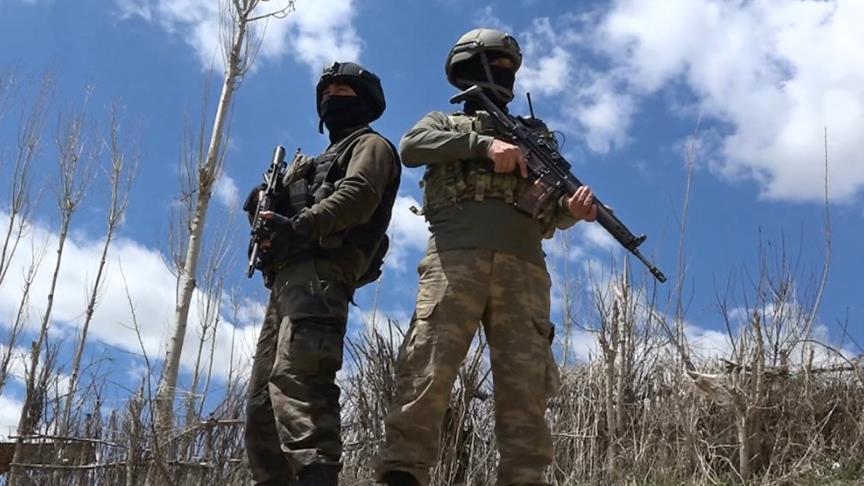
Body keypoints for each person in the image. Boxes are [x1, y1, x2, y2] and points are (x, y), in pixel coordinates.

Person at [374, 28, 598, 486]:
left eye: (509, 66)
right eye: (496, 63)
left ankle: (524, 477)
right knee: (428, 367)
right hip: (454, 257)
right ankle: (403, 472)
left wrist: (573, 211)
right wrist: (484, 145)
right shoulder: (444, 122)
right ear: (469, 67)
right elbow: (412, 147)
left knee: (526, 387)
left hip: (525, 268)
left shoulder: (536, 137)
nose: (504, 73)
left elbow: (552, 212)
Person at [243, 61, 401, 486]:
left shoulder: (371, 145)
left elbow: (358, 196)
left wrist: (298, 227)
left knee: (301, 379)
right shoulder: (308, 165)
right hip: (286, 281)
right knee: (261, 407)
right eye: (326, 92)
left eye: (342, 91)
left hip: (322, 275)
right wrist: (266, 209)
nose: (332, 97)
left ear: (365, 100)